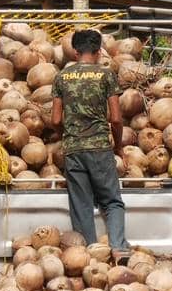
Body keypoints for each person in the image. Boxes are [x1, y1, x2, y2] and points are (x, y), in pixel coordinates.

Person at [51, 29, 127, 257]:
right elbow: (115, 117)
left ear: (75, 52)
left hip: (74, 150)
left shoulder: (61, 77)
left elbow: (55, 119)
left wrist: (67, 133)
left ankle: (91, 253)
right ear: (98, 51)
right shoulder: (106, 76)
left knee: (82, 206)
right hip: (100, 148)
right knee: (112, 201)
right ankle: (118, 249)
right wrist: (119, 145)